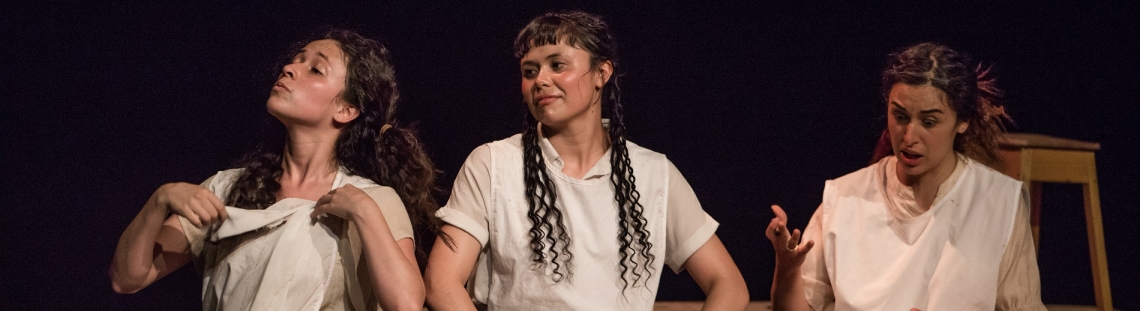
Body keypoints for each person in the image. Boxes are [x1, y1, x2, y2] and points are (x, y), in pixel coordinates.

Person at [423, 11, 749, 311]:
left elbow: (729, 286)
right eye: (529, 71)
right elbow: (442, 283)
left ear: (601, 73)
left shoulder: (653, 173)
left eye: (557, 64)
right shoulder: (493, 164)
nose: (540, 80)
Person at [110, 29, 436, 311]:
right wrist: (160, 200)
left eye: (315, 69)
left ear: (346, 109)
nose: (290, 68)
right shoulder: (227, 189)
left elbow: (406, 305)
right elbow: (127, 278)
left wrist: (366, 214)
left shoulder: (370, 199)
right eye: (296, 59)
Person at [765, 42, 1046, 311]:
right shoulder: (844, 198)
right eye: (900, 116)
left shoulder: (997, 203)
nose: (909, 137)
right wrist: (787, 270)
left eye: (929, 122)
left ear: (963, 121)